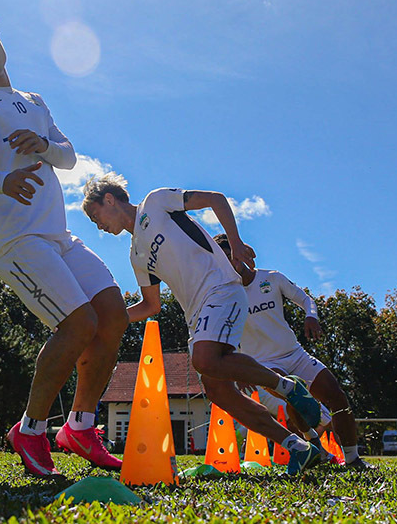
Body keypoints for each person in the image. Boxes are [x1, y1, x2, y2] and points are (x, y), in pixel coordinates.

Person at [0, 7, 128, 477]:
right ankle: (30, 430)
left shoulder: (34, 100)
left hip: (57, 236)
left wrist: (42, 146)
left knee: (113, 316)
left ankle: (80, 428)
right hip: (15, 240)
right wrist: (1, 180)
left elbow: (67, 155)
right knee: (79, 323)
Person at [82, 174, 324, 475]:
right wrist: (107, 320)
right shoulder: (136, 255)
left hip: (222, 289)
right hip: (196, 315)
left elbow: (216, 199)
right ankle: (297, 447)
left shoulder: (155, 202)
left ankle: (288, 386)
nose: (98, 225)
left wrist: (234, 244)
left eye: (95, 216)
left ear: (109, 199)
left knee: (204, 359)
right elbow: (151, 306)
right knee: (218, 391)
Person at [212, 234, 373, 469]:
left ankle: (352, 459)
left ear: (240, 254)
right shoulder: (226, 295)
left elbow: (306, 299)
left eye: (230, 257)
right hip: (262, 364)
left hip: (296, 355)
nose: (228, 264)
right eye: (222, 260)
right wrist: (237, 371)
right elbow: (224, 336)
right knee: (292, 392)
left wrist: (311, 316)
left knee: (336, 395)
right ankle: (313, 444)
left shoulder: (272, 279)